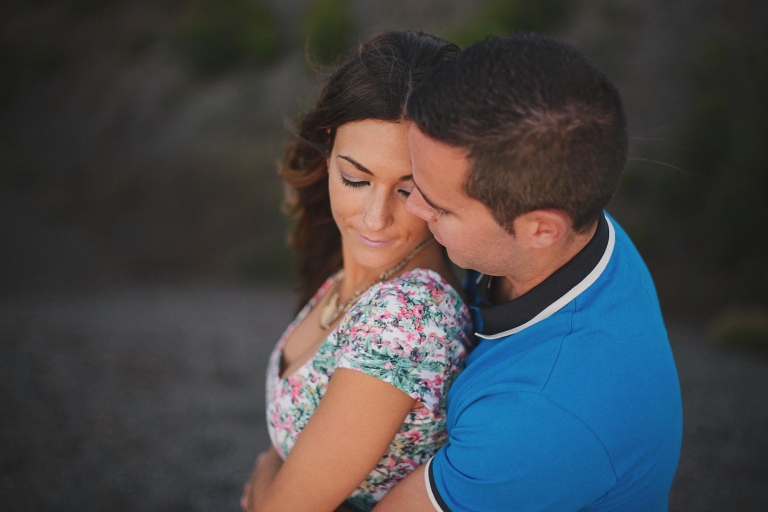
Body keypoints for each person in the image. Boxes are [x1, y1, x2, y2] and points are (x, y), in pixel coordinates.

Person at [374, 34, 683, 511]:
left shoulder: (538, 416)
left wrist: (272, 471)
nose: (413, 206)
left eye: (440, 206)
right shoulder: (572, 216)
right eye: (416, 181)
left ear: (541, 230)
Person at [240, 31, 472, 512]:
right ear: (328, 146)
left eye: (408, 190)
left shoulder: (406, 317)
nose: (375, 218)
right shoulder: (362, 274)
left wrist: (265, 471)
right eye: (355, 179)